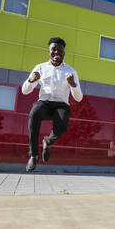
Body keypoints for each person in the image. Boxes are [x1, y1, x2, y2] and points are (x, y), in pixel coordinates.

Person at [22, 37, 83, 172]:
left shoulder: (70, 71)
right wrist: (31, 81)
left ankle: (47, 142)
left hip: (61, 105)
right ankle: (34, 155)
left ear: (64, 53)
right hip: (44, 103)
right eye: (53, 50)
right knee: (34, 113)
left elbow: (78, 98)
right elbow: (24, 91)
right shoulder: (40, 68)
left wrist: (73, 84)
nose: (56, 53)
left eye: (60, 51)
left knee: (62, 125)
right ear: (49, 52)